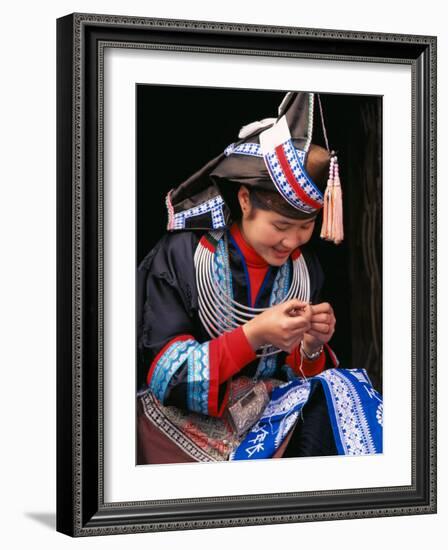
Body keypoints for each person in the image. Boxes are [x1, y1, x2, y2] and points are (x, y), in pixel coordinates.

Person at [137, 92, 383, 464]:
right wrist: (253, 336)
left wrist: (311, 347)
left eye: (306, 226)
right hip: (182, 425)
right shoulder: (182, 256)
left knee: (343, 392)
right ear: (245, 201)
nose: (293, 240)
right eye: (281, 225)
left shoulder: (304, 268)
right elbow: (164, 376)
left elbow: (294, 376)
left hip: (267, 416)